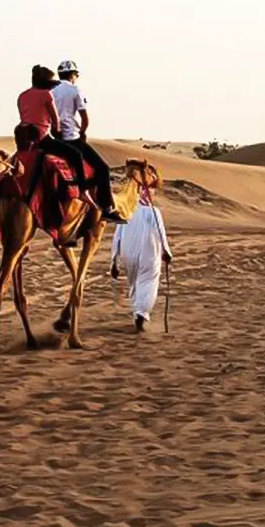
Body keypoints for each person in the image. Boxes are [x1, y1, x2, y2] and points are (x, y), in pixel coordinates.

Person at [17, 65, 125, 224]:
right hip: (52, 138)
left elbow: (24, 115)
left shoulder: (22, 95)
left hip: (24, 141)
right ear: (74, 75)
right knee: (89, 162)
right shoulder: (59, 93)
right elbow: (57, 122)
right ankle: (90, 196)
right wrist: (79, 132)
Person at [52, 59, 122, 217]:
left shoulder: (52, 92)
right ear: (73, 75)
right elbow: (84, 117)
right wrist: (83, 132)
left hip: (55, 138)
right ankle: (105, 208)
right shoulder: (75, 90)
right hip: (71, 137)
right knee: (103, 169)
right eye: (76, 74)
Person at [109, 162, 172, 332]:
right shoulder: (153, 212)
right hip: (149, 252)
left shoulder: (127, 210)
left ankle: (138, 311)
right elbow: (160, 232)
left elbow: (117, 236)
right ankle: (141, 313)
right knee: (149, 280)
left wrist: (113, 261)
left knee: (134, 283)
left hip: (127, 253)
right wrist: (166, 252)